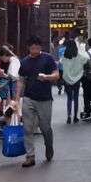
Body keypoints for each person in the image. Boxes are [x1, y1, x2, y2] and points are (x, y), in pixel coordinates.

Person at [18, 36, 62, 166]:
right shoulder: (24, 61)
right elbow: (21, 80)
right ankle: (30, 156)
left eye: (37, 48)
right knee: (27, 127)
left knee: (45, 128)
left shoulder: (48, 58)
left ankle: (49, 146)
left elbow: (57, 75)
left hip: (44, 99)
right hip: (28, 98)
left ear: (41, 47)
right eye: (32, 48)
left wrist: (47, 77)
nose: (35, 50)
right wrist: (16, 98)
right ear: (28, 48)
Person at [58, 36, 87, 123]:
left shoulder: (64, 56)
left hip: (67, 79)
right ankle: (75, 116)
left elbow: (60, 62)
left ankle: (69, 116)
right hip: (77, 79)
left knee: (69, 98)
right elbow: (86, 60)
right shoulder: (79, 56)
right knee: (76, 98)